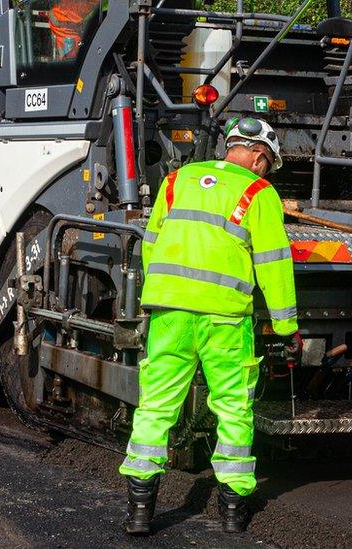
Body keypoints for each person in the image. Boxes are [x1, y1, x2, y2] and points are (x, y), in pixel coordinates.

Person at [118, 117, 298, 535]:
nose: (266, 170)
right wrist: (287, 328)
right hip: (225, 320)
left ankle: (141, 513)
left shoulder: (177, 180)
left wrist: (162, 294)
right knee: (233, 409)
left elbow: (151, 242)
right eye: (268, 162)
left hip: (170, 314)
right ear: (258, 157)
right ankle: (233, 514)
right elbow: (273, 262)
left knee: (157, 406)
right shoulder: (259, 192)